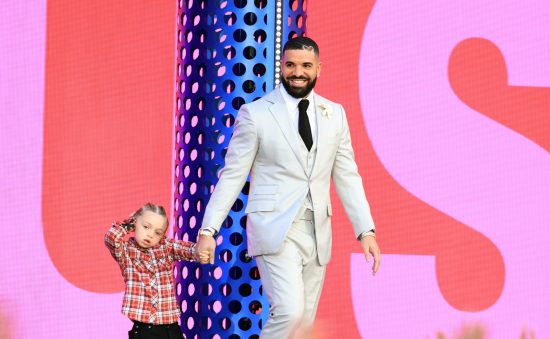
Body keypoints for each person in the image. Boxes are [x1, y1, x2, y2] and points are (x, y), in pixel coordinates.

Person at [196, 36, 381, 338]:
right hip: (274, 227)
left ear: (319, 69)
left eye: (306, 65)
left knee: (302, 328)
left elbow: (347, 175)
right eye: (291, 65)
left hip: (318, 231)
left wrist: (366, 230)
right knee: (291, 314)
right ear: (281, 67)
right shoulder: (256, 114)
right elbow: (232, 176)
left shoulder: (335, 114)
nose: (298, 72)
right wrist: (208, 231)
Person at [105, 202, 209, 339]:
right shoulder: (126, 252)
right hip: (145, 330)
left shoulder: (165, 247)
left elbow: (188, 250)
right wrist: (129, 223)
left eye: (157, 232)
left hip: (171, 328)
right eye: (146, 227)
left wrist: (199, 252)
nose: (150, 234)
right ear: (135, 224)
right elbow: (111, 237)